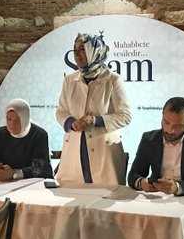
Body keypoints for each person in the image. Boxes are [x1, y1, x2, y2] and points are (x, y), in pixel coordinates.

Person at [55, 32, 131, 186]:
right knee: (71, 193)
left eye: (82, 49)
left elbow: (125, 116)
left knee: (104, 195)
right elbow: (61, 111)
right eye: (75, 50)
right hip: (75, 149)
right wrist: (71, 123)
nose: (77, 54)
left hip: (104, 151)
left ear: (95, 52)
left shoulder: (113, 80)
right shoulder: (69, 80)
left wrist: (95, 120)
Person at [128, 96, 184, 198]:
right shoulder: (149, 139)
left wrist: (177, 187)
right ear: (162, 117)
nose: (170, 130)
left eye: (177, 126)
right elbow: (133, 175)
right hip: (159, 197)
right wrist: (141, 183)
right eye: (166, 122)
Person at [0, 98, 53, 181]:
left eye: (18, 120)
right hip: (3, 183)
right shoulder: (1, 133)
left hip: (31, 184)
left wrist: (15, 174)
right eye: (9, 119)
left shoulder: (39, 135)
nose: (12, 124)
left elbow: (41, 168)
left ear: (25, 119)